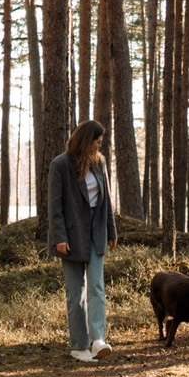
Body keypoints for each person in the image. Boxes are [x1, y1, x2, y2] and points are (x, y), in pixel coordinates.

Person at [47, 120, 116, 363]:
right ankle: (78, 346)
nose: (99, 146)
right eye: (97, 142)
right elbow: (55, 206)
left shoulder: (100, 162)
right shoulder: (60, 164)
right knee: (76, 293)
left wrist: (111, 231)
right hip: (71, 236)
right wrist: (59, 238)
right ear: (87, 141)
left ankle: (98, 340)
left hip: (96, 233)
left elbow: (106, 199)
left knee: (96, 287)